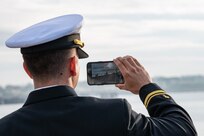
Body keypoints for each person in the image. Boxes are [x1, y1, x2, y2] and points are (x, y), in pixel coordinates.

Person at [0, 14, 197, 136]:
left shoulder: (5, 128)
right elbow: (183, 130)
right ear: (73, 66)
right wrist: (147, 88)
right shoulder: (115, 115)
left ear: (27, 69)